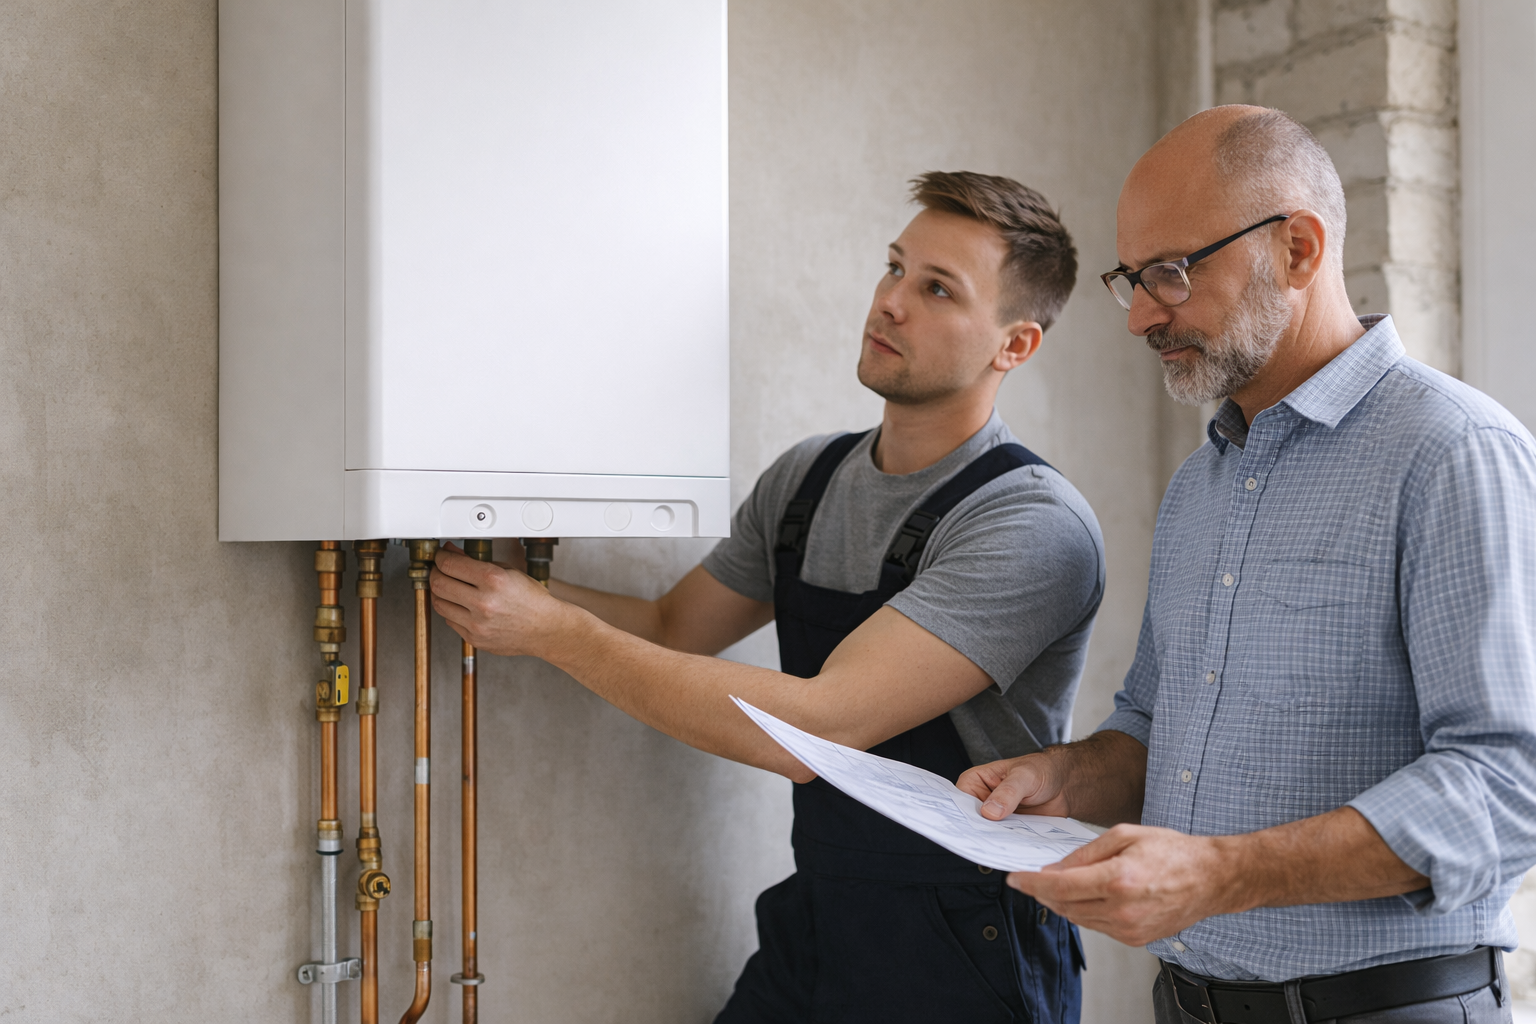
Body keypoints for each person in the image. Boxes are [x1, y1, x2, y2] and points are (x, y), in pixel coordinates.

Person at [430, 171, 1104, 1024]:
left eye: (937, 289)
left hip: (966, 943)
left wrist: (557, 634)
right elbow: (676, 627)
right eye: (895, 267)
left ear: (1015, 345)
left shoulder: (1031, 525)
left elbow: (820, 730)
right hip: (818, 914)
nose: (890, 301)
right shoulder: (807, 479)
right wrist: (504, 592)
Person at [960, 106, 1536, 1024]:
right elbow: (1152, 727)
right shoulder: (1201, 485)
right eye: (1131, 278)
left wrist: (1221, 875)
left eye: (1172, 273)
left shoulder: (1453, 452)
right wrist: (1065, 779)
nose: (1142, 314)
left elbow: (1507, 786)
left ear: (1300, 250)